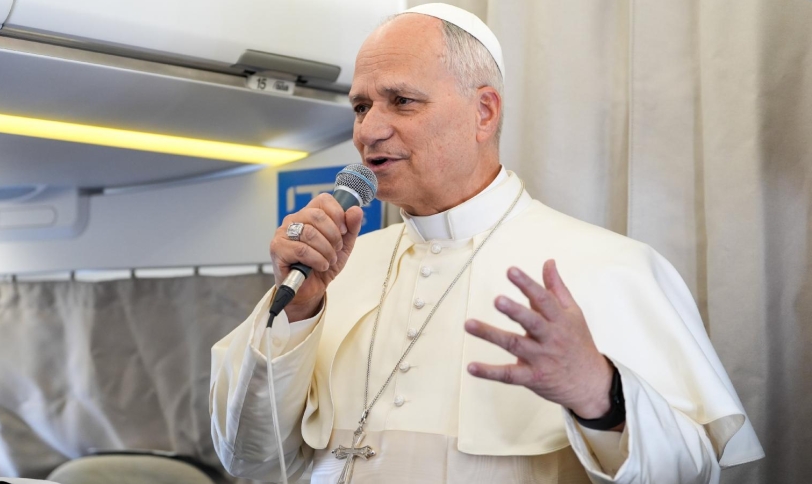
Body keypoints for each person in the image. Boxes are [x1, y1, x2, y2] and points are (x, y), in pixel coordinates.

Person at [210, 4, 763, 483]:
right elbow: (248, 457)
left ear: (484, 111)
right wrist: (301, 311)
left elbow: (695, 473)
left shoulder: (612, 267)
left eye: (401, 101)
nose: (368, 131)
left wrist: (602, 396)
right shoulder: (332, 273)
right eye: (360, 106)